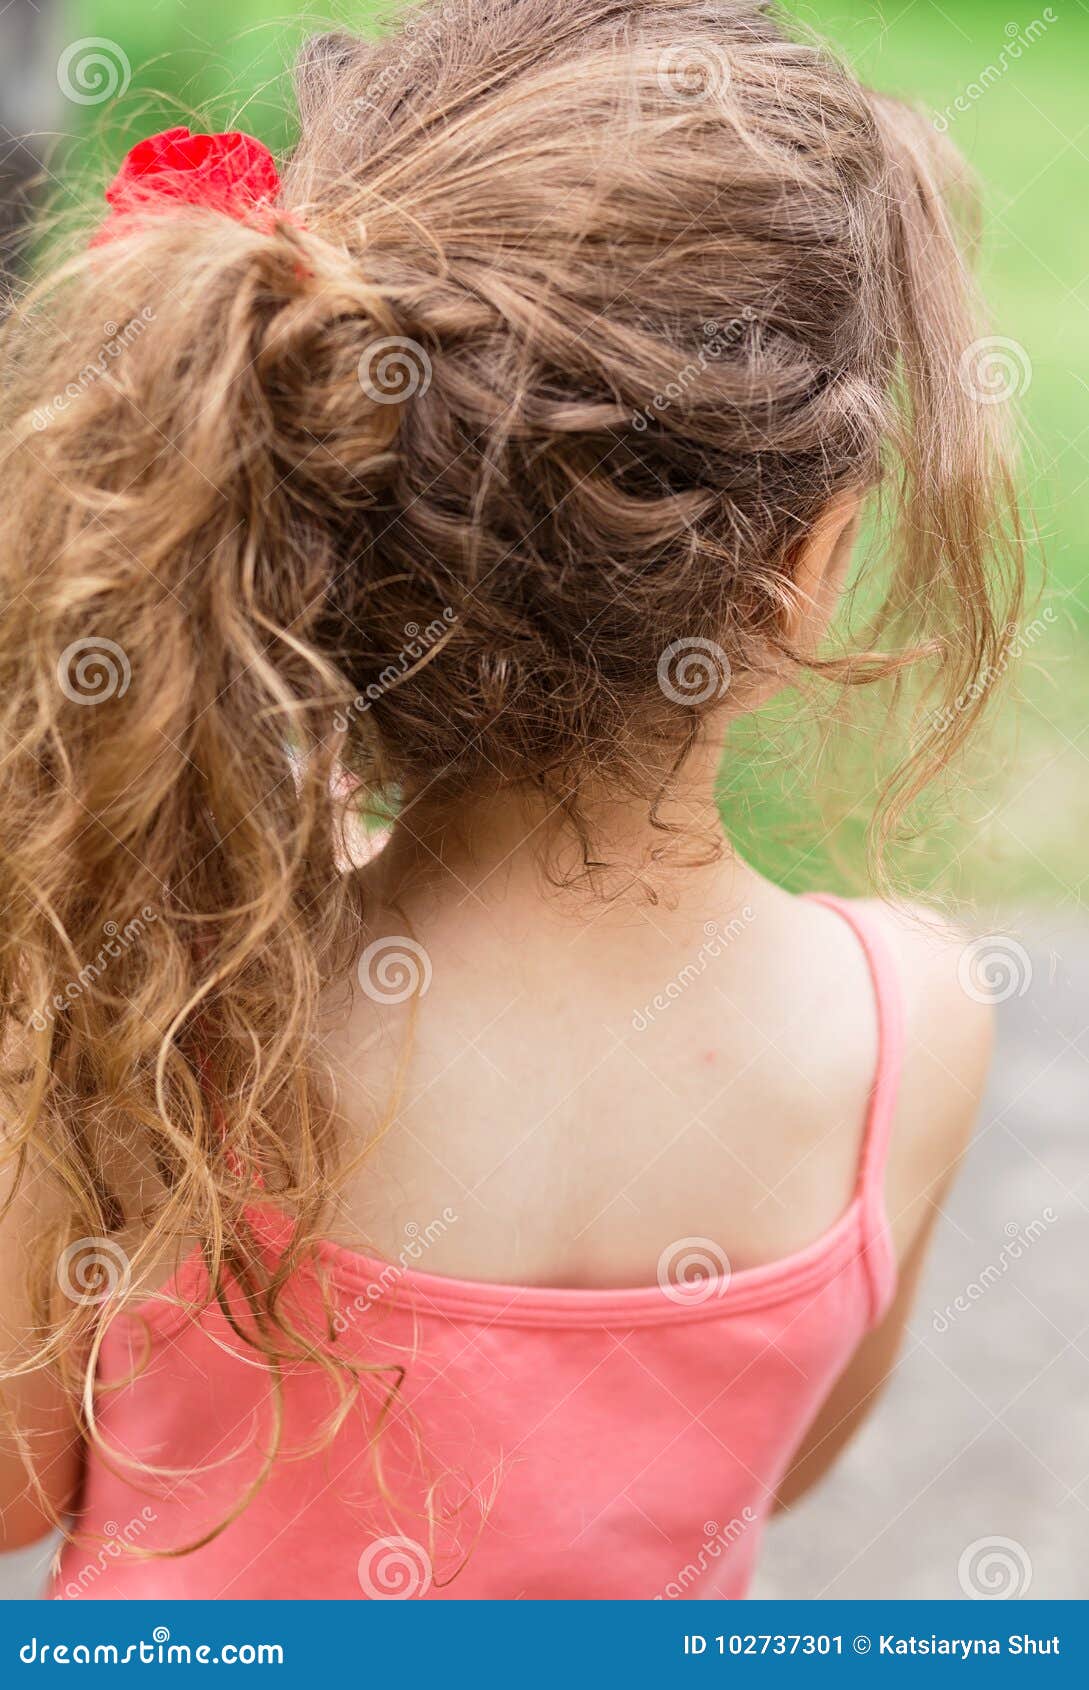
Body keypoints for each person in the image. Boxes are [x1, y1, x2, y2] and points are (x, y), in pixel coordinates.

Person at [0, 0, 1021, 1600]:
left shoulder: (169, 1001)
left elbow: (12, 1481)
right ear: (809, 566)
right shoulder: (909, 1031)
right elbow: (782, 1448)